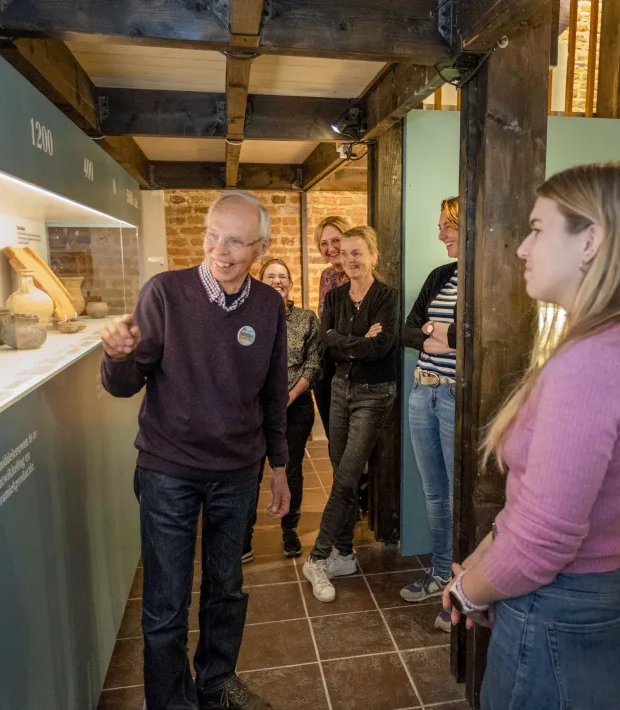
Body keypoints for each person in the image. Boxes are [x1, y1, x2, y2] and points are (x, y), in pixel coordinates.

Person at [442, 163, 620, 710]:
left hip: (561, 613)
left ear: (591, 240)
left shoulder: (593, 360)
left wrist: (467, 590)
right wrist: (483, 568)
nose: (521, 249)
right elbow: (535, 514)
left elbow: (542, 544)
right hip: (602, 598)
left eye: (537, 228)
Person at [100, 191, 291, 710]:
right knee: (165, 603)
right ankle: (170, 702)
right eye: (212, 234)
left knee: (226, 590)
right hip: (169, 472)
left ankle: (215, 682)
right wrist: (116, 358)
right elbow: (124, 384)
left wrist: (279, 465)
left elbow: (274, 393)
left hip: (237, 471)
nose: (219, 250)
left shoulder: (270, 306)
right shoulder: (165, 293)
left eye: (235, 240)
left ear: (261, 247)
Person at [303, 226, 400, 603]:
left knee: (346, 476)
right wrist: (355, 342)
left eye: (358, 253)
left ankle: (318, 557)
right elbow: (326, 341)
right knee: (340, 470)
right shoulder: (336, 296)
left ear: (374, 255)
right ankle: (344, 554)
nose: (350, 260)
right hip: (340, 392)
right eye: (345, 253)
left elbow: (381, 349)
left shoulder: (387, 297)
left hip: (374, 395)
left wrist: (348, 344)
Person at [400, 197, 460, 632]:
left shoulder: (489, 278)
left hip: (458, 396)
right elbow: (406, 329)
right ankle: (440, 573)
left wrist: (448, 334)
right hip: (424, 392)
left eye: (446, 226)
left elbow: (477, 335)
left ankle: (461, 590)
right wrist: (435, 333)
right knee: (434, 492)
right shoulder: (442, 275)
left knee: (461, 494)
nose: (440, 234)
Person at [245, 258, 321, 559]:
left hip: (295, 406)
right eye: (271, 276)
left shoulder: (306, 319)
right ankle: (243, 537)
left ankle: (290, 530)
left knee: (291, 470)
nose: (277, 280)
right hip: (253, 410)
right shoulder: (247, 318)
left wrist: (287, 397)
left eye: (282, 276)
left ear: (290, 282)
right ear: (260, 280)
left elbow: (313, 363)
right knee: (250, 471)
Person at [313, 216, 351, 435]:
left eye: (335, 240)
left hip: (351, 368)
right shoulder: (326, 275)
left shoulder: (358, 272)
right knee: (333, 436)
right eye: (324, 243)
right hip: (328, 365)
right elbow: (324, 322)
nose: (330, 248)